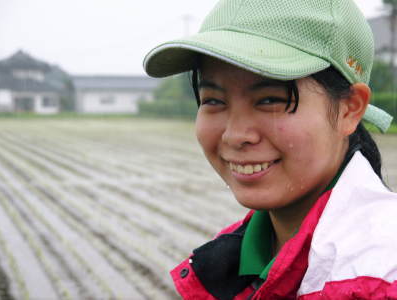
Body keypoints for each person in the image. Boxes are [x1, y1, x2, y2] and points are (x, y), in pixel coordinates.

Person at [143, 0, 397, 298]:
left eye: (270, 100)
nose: (236, 135)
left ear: (349, 110)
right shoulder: (232, 258)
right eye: (213, 100)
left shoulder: (381, 274)